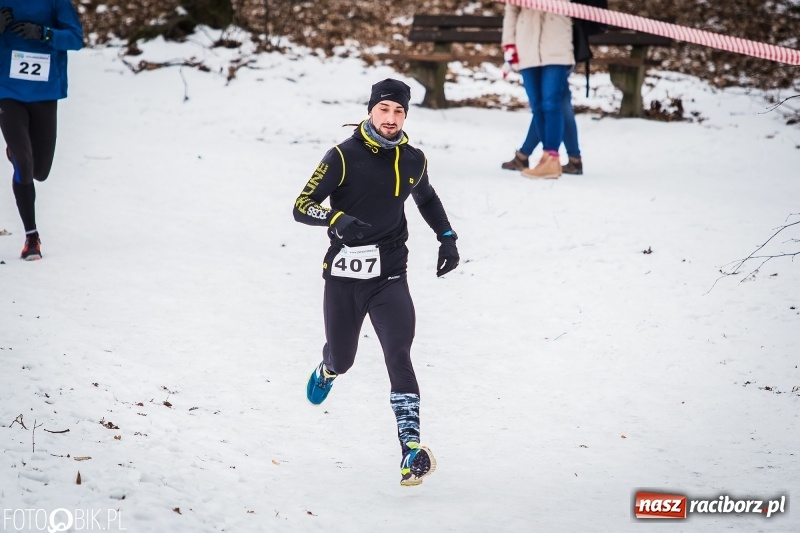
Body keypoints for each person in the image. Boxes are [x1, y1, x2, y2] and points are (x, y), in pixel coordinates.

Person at [292, 78, 460, 486]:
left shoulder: (412, 158)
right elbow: (301, 206)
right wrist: (334, 218)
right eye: (384, 110)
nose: (391, 119)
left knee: (399, 355)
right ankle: (328, 368)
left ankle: (410, 449)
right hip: (345, 278)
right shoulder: (342, 157)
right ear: (370, 111)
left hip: (391, 275)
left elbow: (427, 198)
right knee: (344, 358)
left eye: (399, 111)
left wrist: (447, 237)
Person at [0, 1, 83, 260]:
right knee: (25, 163)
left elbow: (76, 39)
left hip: (45, 91)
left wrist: (45, 34)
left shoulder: (56, 3)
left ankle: (18, 152)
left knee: (40, 170)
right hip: (7, 90)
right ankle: (31, 237)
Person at [501, 1, 575, 179]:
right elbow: (512, 9)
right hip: (526, 45)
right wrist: (509, 44)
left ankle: (551, 157)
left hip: (556, 45)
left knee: (552, 103)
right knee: (537, 105)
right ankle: (547, 159)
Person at [501, 73, 583, 175]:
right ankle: (573, 158)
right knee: (559, 100)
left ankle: (531, 156)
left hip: (549, 60)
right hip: (560, 59)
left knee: (550, 103)